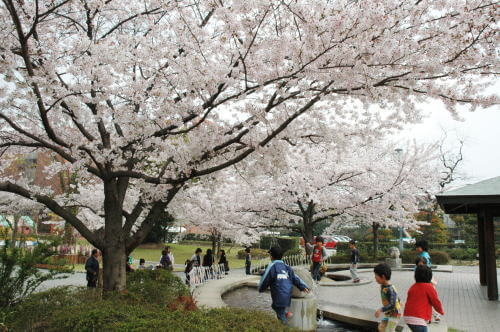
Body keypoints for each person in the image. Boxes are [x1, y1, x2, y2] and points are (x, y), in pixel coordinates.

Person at [258, 246, 310, 324]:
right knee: (276, 307)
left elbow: (265, 279)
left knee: (281, 318)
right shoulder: (286, 266)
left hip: (278, 295)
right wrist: (303, 286)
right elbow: (295, 277)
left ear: (271, 256)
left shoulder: (271, 266)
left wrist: (261, 288)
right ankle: (286, 313)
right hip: (287, 294)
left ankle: (285, 326)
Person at [403, 265, 445, 332]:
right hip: (418, 319)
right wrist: (441, 311)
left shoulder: (413, 287)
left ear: (415, 276)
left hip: (407, 316)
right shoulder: (429, 287)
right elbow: (435, 301)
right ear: (430, 277)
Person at [374, 263, 401, 332]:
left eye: (376, 275)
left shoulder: (390, 289)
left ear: (383, 276)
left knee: (390, 330)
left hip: (395, 314)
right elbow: (396, 297)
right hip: (389, 313)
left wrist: (380, 310)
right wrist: (399, 301)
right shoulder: (383, 286)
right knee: (381, 327)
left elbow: (392, 304)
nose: (375, 277)